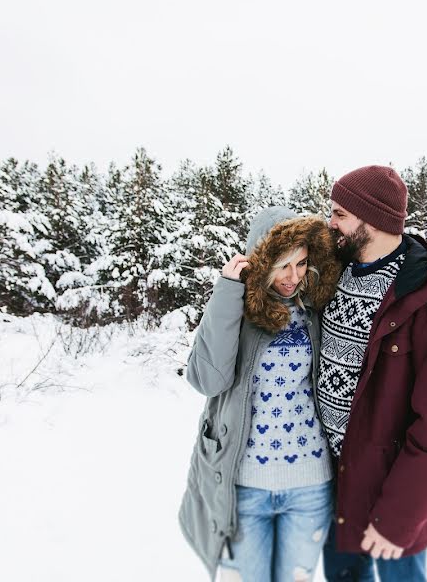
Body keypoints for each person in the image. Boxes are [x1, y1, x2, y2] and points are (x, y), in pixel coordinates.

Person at [317, 165, 427, 581]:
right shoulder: (334, 275)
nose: (329, 223)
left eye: (339, 214)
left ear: (372, 219)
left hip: (392, 500)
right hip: (335, 489)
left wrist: (399, 517)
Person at [179, 206, 342, 582]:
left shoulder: (315, 309)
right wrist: (226, 292)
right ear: (262, 261)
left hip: (309, 486)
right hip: (245, 488)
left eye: (301, 264)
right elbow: (207, 379)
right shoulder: (238, 310)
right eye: (282, 265)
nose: (292, 276)